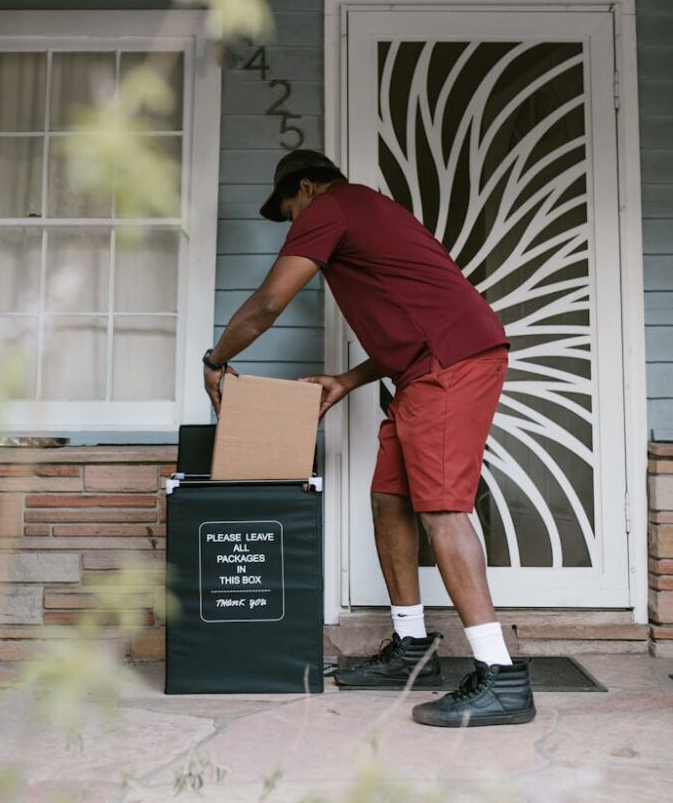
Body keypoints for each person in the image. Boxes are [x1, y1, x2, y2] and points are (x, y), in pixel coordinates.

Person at [203, 149, 535, 727]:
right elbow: (408, 320)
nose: (293, 225)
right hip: (421, 368)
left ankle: (501, 675)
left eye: (289, 211)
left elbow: (268, 303)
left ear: (305, 188)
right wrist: (348, 380)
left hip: (450, 364)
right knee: (390, 498)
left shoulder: (333, 206)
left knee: (444, 512)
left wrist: (216, 359)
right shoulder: (367, 213)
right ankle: (412, 647)